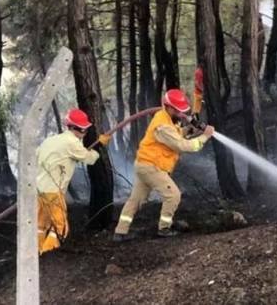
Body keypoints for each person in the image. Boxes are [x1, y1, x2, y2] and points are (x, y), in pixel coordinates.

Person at [112, 89, 214, 241]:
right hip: (151, 167)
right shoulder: (163, 126)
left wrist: (190, 129)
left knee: (136, 200)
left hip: (144, 165)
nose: (181, 115)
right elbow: (182, 146)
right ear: (169, 107)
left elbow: (176, 134)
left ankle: (120, 232)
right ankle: (164, 228)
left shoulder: (166, 119)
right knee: (173, 195)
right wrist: (205, 137)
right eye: (178, 111)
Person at [36, 108, 110, 254]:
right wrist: (100, 145)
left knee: (40, 224)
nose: (85, 133)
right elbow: (90, 158)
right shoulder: (72, 142)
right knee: (60, 227)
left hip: (39, 189)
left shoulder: (50, 140)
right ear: (79, 129)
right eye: (85, 130)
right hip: (53, 191)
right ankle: (47, 254)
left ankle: (36, 252)